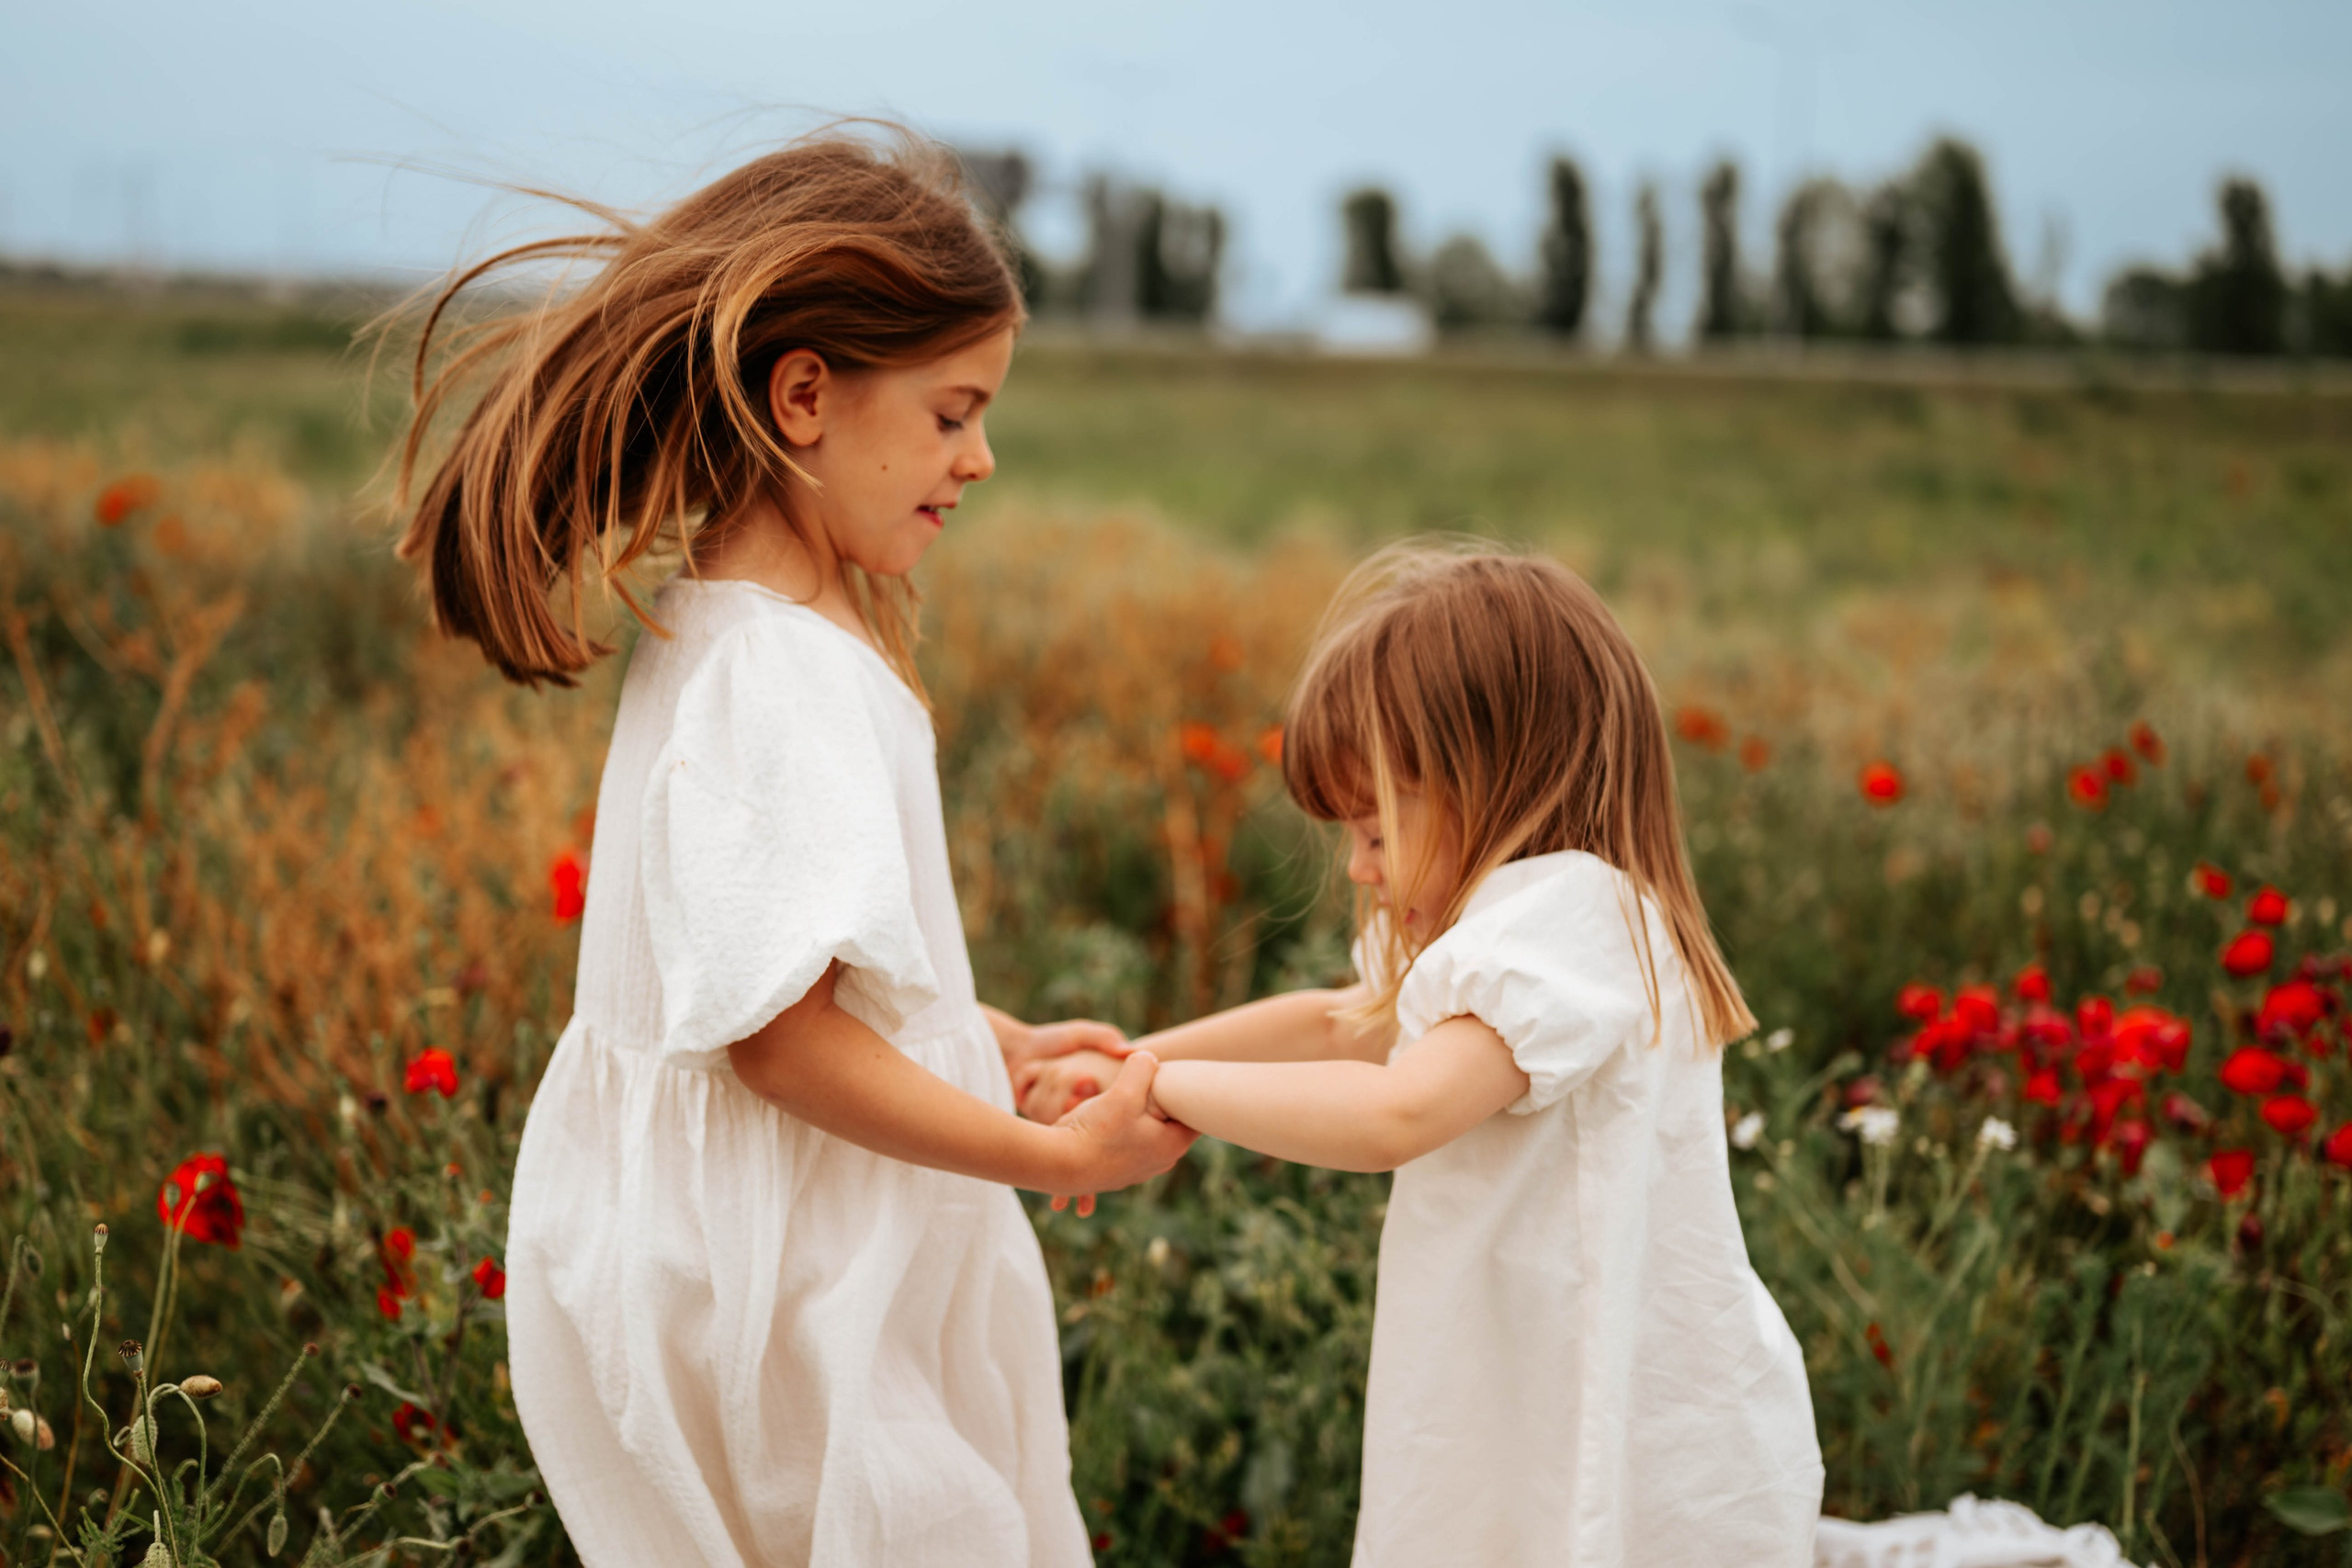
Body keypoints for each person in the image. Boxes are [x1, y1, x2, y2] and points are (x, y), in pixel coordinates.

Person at [391, 130, 1194, 1566]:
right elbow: (774, 1040)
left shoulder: (731, 630)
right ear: (808, 395)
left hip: (759, 1262)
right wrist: (1037, 1144)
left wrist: (976, 1033)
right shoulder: (780, 668)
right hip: (798, 1294)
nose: (982, 455)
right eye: (953, 412)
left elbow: (780, 984)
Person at [1023, 543, 1824, 1566]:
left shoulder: (1566, 917)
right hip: (1530, 1381)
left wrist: (1153, 1088)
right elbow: (1334, 1023)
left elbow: (1395, 1115)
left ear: (1489, 782)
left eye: (1373, 829)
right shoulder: (1528, 931)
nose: (1357, 868)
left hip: (1613, 1415)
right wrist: (1127, 1057)